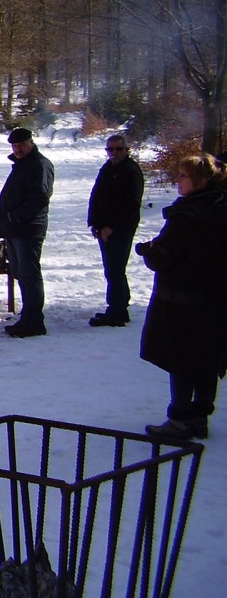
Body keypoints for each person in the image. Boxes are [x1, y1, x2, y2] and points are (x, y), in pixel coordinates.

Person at [136, 154, 227, 442]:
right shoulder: (220, 208)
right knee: (206, 358)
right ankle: (200, 415)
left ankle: (179, 419)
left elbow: (164, 256)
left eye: (183, 176)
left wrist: (149, 250)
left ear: (200, 180)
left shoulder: (188, 216)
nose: (178, 181)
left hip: (182, 300)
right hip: (215, 299)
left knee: (181, 359)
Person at [0, 127, 55, 338]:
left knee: (29, 274)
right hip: (16, 229)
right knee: (21, 273)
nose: (17, 149)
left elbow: (40, 196)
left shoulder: (39, 165)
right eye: (14, 146)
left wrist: (16, 216)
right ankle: (28, 316)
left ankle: (34, 320)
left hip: (28, 229)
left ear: (31, 143)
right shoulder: (23, 165)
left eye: (21, 145)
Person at [87, 134, 145, 327]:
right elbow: (98, 196)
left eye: (118, 149)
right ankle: (118, 308)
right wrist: (95, 223)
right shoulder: (108, 168)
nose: (113, 153)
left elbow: (131, 204)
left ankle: (118, 310)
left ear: (126, 150)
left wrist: (111, 227)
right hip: (104, 228)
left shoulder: (130, 170)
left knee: (115, 269)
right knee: (112, 270)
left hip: (119, 229)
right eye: (110, 149)